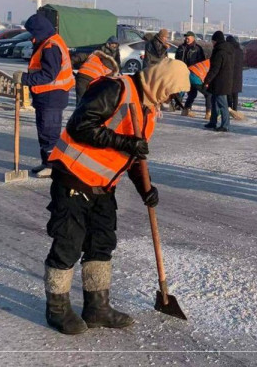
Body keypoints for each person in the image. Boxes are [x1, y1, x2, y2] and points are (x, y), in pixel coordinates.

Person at [42, 58, 190, 335]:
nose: (171, 98)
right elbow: (80, 125)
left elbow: (134, 155)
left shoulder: (148, 108)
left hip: (103, 186)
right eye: (171, 91)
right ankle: (57, 310)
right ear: (161, 82)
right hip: (74, 178)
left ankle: (97, 308)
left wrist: (145, 188)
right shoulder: (115, 88)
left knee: (102, 243)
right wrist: (123, 142)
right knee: (68, 244)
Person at [13, 14, 75, 179]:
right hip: (46, 97)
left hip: (52, 97)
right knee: (44, 132)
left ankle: (53, 166)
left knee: (50, 133)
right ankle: (46, 162)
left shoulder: (51, 46)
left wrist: (24, 79)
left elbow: (48, 75)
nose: (31, 36)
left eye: (32, 32)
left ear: (39, 30)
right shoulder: (46, 42)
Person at [203, 31, 234, 132]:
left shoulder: (220, 52)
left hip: (220, 82)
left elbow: (215, 69)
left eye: (213, 41)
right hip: (222, 81)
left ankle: (225, 125)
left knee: (222, 104)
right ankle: (213, 122)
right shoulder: (226, 50)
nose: (212, 43)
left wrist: (207, 79)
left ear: (216, 41)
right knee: (214, 103)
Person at [74, 36, 121, 104]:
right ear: (108, 43)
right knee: (84, 100)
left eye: (116, 44)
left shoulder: (116, 52)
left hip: (87, 77)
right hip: (92, 77)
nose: (114, 45)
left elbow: (118, 62)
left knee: (86, 100)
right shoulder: (100, 50)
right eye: (113, 43)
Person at [175, 31, 207, 117]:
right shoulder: (181, 47)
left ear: (193, 38)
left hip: (193, 73)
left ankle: (187, 107)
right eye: (185, 37)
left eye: (188, 37)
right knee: (180, 90)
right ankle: (178, 105)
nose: (186, 39)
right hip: (182, 72)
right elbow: (177, 59)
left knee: (192, 92)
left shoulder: (198, 49)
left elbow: (201, 62)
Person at [187, 55, 213, 120]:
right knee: (208, 94)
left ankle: (186, 110)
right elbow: (210, 75)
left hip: (189, 73)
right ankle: (208, 113)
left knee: (192, 94)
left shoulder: (208, 61)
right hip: (195, 76)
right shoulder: (214, 63)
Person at [227, 35, 244, 112]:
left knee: (229, 92)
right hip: (238, 74)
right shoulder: (240, 50)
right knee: (235, 93)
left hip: (230, 73)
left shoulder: (229, 50)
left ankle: (230, 108)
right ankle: (235, 109)